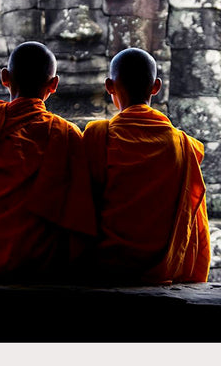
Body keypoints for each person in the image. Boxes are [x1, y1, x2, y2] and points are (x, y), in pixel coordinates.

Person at [0, 41, 97, 284]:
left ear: (5, 77)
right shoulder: (67, 135)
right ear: (54, 85)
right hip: (44, 268)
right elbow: (80, 218)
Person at [82, 47, 211, 285]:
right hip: (163, 270)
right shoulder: (181, 144)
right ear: (156, 87)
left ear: (110, 86)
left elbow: (80, 207)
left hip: (106, 268)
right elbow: (193, 221)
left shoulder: (97, 136)